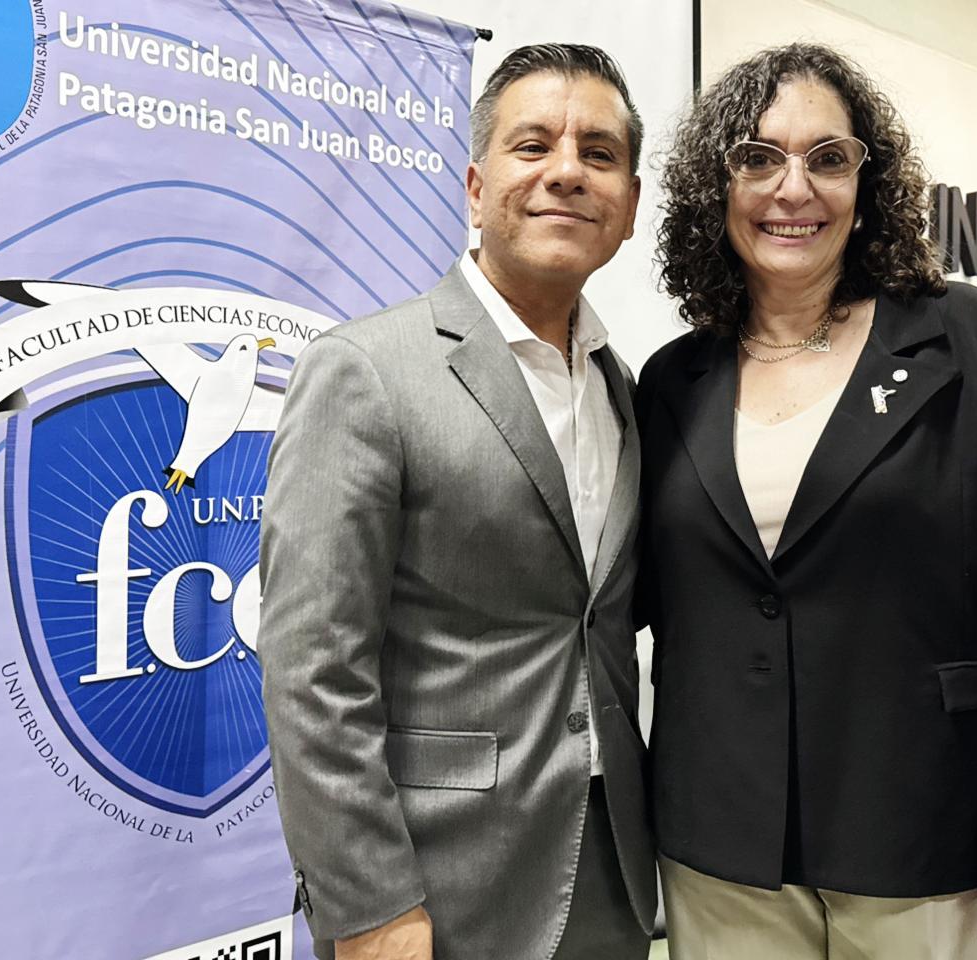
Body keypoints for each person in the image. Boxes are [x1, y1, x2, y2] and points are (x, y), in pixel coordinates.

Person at [637, 42, 977, 960]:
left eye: (828, 158)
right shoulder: (671, 382)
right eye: (758, 158)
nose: (793, 189)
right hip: (724, 850)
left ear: (868, 181)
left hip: (929, 837)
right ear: (716, 186)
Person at [258, 43, 655, 960]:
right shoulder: (364, 371)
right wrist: (368, 905)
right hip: (436, 887)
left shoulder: (618, 385)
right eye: (533, 147)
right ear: (477, 189)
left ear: (629, 207)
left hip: (612, 874)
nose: (567, 171)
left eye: (599, 154)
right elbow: (311, 670)